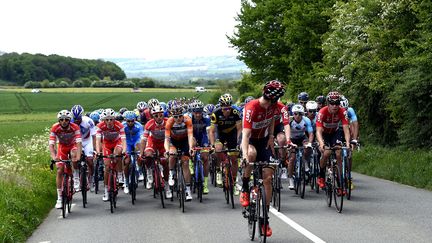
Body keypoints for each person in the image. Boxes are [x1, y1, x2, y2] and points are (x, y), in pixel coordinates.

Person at [240, 80, 291, 237]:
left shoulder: (274, 105)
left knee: (268, 178)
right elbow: (246, 135)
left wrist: (270, 136)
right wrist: (244, 156)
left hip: (264, 141)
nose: (273, 105)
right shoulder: (251, 108)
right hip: (249, 141)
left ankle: (265, 219)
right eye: (273, 101)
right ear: (268, 98)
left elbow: (271, 120)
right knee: (251, 155)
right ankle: (245, 187)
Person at [315, 92, 350, 195]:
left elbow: (346, 129)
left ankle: (340, 184)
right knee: (326, 153)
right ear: (328, 103)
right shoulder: (322, 112)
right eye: (332, 103)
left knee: (339, 153)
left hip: (335, 133)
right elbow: (318, 131)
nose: (335, 106)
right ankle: (321, 175)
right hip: (324, 134)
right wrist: (321, 143)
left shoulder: (342, 111)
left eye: (337, 103)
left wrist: (347, 143)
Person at [209, 93, 242, 195]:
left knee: (234, 159)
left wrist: (238, 143)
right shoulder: (216, 113)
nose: (227, 111)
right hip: (221, 135)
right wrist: (212, 144)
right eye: (224, 109)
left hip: (233, 135)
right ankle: (218, 170)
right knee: (218, 149)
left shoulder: (236, 112)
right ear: (221, 107)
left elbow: (240, 129)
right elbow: (211, 131)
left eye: (228, 108)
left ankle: (235, 181)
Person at [49, 110, 82, 209]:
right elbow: (51, 144)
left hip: (73, 146)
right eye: (62, 120)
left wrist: (78, 157)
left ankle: (76, 178)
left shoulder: (74, 127)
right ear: (59, 120)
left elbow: (79, 143)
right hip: (62, 148)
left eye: (66, 120)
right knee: (59, 170)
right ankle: (59, 198)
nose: (64, 121)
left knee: (74, 155)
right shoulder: (55, 127)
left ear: (69, 120)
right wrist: (54, 157)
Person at [164, 102, 194, 201]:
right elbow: (167, 139)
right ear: (173, 116)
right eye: (176, 117)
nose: (178, 119)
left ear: (183, 114)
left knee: (185, 163)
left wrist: (190, 148)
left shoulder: (187, 120)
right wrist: (167, 150)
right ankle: (171, 174)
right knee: (172, 155)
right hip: (173, 141)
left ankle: (188, 190)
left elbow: (190, 136)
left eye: (180, 116)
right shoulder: (169, 122)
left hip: (184, 140)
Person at [95, 108, 127, 201]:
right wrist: (97, 151)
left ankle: (120, 175)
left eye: (111, 119)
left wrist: (124, 151)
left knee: (118, 154)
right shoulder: (100, 126)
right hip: (107, 145)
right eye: (107, 119)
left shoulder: (119, 125)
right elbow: (98, 141)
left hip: (117, 143)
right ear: (104, 120)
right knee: (107, 168)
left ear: (114, 119)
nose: (109, 122)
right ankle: (106, 190)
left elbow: (123, 140)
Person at [141, 105, 170, 197]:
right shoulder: (149, 124)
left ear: (163, 114)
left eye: (160, 115)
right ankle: (149, 171)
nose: (158, 117)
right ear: (152, 116)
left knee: (165, 162)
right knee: (148, 155)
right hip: (152, 142)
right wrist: (142, 153)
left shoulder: (168, 122)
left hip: (164, 143)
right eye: (156, 115)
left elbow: (171, 137)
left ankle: (167, 186)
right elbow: (144, 139)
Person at [287, 104, 314, 189]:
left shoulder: (306, 120)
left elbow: (311, 134)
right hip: (292, 139)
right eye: (295, 113)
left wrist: (309, 143)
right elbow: (285, 134)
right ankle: (291, 179)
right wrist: (288, 143)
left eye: (300, 114)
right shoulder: (289, 121)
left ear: (303, 114)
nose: (297, 116)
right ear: (293, 114)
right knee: (292, 159)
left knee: (307, 148)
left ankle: (305, 163)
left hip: (302, 138)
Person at [71, 105, 96, 191]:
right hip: (76, 142)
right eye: (75, 118)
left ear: (82, 116)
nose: (76, 120)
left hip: (87, 141)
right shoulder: (70, 121)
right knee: (74, 159)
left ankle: (91, 178)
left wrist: (95, 149)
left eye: (78, 118)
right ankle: (76, 178)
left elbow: (94, 136)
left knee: (89, 160)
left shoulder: (88, 121)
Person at [189, 100, 211, 194]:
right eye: (195, 112)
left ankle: (205, 183)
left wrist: (209, 145)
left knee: (205, 158)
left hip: (203, 137)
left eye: (199, 112)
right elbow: (188, 134)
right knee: (192, 143)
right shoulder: (189, 118)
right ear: (192, 112)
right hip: (192, 136)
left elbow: (208, 132)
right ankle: (191, 161)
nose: (198, 115)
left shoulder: (206, 118)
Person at [121, 111, 143, 194]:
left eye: (132, 121)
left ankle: (139, 170)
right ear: (126, 120)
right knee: (126, 162)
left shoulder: (139, 126)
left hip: (136, 141)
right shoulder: (122, 126)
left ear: (135, 120)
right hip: (127, 142)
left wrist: (140, 150)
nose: (130, 123)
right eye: (128, 121)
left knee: (139, 150)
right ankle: (126, 182)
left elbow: (141, 137)